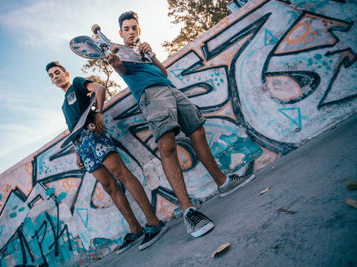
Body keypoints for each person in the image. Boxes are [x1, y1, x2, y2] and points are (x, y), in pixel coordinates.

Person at [107, 11, 255, 238]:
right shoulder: (119, 53)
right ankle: (189, 211)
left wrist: (152, 54)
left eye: (134, 27)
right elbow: (122, 69)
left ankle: (222, 182)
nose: (130, 32)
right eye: (126, 29)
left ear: (139, 29)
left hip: (170, 89)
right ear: (120, 33)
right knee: (167, 147)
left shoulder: (142, 50)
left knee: (197, 131)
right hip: (151, 96)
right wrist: (115, 63)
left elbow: (163, 72)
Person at [46, 61, 168, 254]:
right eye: (51, 76)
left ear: (66, 73)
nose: (55, 77)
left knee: (122, 175)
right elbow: (73, 129)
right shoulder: (63, 105)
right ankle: (135, 229)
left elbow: (99, 89)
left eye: (57, 72)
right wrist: (78, 151)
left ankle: (154, 222)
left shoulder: (77, 83)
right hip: (82, 146)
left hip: (95, 133)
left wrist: (98, 112)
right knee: (109, 186)